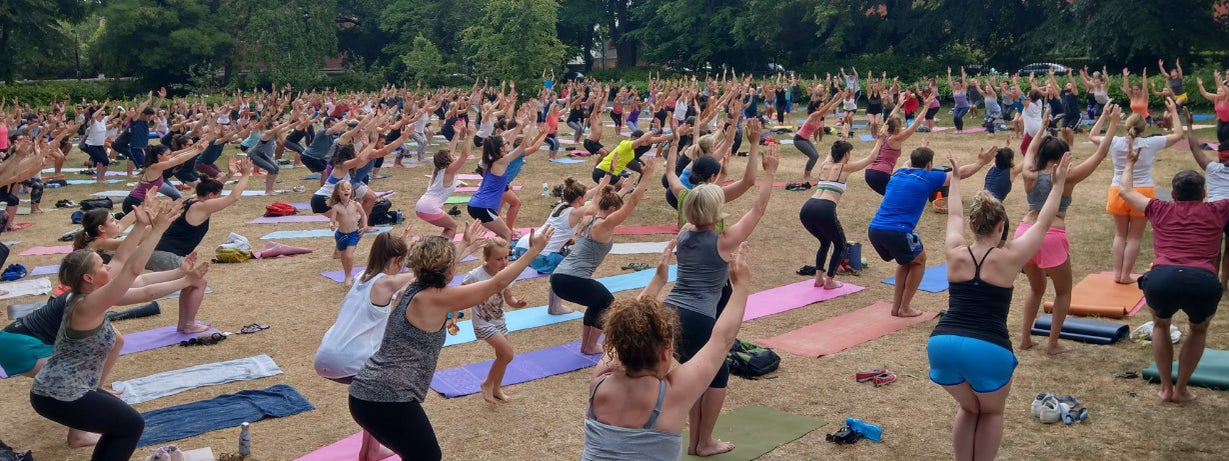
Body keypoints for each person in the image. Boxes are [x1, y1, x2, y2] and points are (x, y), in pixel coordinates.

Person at [347, 228, 552, 459]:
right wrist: (534, 250)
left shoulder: (410, 288)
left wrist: (464, 245)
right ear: (451, 269)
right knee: (428, 456)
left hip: (365, 395)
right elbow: (496, 284)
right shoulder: (436, 298)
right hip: (386, 398)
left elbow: (432, 263)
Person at [928, 148, 1070, 461]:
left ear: (973, 224)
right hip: (988, 347)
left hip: (943, 343)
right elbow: (1044, 223)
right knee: (991, 414)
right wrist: (1057, 184)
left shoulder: (955, 250)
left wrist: (954, 179)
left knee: (968, 407)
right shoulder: (1011, 256)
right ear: (1000, 227)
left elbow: (952, 215)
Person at [28, 200, 183, 460]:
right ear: (88, 278)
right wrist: (158, 229)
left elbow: (124, 258)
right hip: (58, 395)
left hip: (58, 389)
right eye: (101, 265)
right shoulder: (88, 304)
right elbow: (133, 269)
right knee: (130, 425)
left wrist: (143, 224)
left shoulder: (90, 293)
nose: (108, 267)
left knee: (124, 425)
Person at [315, 223, 482, 461]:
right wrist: (463, 246)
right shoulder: (385, 283)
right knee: (382, 392)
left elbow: (430, 269)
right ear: (396, 261)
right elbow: (430, 270)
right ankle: (370, 451)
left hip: (327, 354)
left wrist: (464, 245)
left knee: (377, 396)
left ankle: (370, 450)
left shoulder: (363, 276)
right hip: (347, 359)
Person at [583, 242, 753, 461]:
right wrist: (741, 287)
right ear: (665, 353)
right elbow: (722, 340)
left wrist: (658, 281)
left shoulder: (600, 381)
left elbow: (624, 327)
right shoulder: (672, 394)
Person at [663, 141, 778, 456]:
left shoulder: (685, 232)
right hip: (698, 317)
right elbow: (758, 209)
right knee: (716, 374)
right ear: (716, 211)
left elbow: (692, 200)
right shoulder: (724, 241)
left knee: (695, 375)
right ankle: (704, 442)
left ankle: (698, 441)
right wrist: (770, 173)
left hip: (669, 311)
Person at [1119, 147, 1229, 403]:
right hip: (1201, 281)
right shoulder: (1218, 209)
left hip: (1163, 279)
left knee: (1161, 324)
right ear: (1204, 194)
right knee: (1198, 329)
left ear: (1173, 194)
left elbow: (1124, 191)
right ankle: (1181, 390)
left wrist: (1129, 163)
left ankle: (1166, 389)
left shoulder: (1160, 208)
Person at [1017, 105, 1121, 355]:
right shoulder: (1067, 176)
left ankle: (1024, 339)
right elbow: (1100, 153)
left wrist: (1042, 127)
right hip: (1051, 236)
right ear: (1064, 156)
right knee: (1063, 292)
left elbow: (1031, 148)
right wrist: (1113, 123)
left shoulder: (1029, 173)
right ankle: (1052, 344)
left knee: (1035, 288)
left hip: (1024, 232)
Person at [867, 144, 993, 317]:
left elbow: (906, 163)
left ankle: (896, 307)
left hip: (875, 229)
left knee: (906, 262)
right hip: (897, 231)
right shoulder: (928, 177)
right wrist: (981, 162)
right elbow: (960, 173)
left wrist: (920, 149)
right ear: (928, 165)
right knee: (919, 260)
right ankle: (904, 308)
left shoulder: (898, 173)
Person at [551, 159, 656, 355]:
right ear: (613, 211)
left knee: (598, 302)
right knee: (607, 303)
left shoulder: (588, 217)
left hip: (558, 278)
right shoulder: (603, 226)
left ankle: (587, 345)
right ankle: (590, 346)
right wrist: (646, 176)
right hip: (572, 279)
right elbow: (632, 203)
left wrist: (612, 176)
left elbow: (602, 197)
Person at [145, 161, 254, 334]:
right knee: (199, 283)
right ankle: (187, 324)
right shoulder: (204, 206)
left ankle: (184, 324)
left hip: (157, 251)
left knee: (190, 284)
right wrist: (246, 175)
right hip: (165, 254)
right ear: (211, 196)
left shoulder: (193, 200)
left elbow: (211, 188)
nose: (219, 198)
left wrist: (229, 175)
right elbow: (233, 197)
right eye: (218, 195)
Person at [1091, 99, 1184, 284]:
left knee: (1120, 235)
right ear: (1144, 128)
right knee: (1134, 236)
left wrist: (1104, 116)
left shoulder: (1115, 142)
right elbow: (1178, 134)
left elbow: (1093, 135)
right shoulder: (1151, 142)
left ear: (1126, 126)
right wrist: (1173, 111)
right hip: (1143, 192)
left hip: (1118, 190)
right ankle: (1125, 275)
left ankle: (1118, 274)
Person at [799, 137, 881, 288]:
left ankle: (818, 279)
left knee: (825, 241)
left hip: (807, 208)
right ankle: (829, 281)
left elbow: (832, 151)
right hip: (824, 209)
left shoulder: (825, 164)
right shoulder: (845, 167)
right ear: (847, 154)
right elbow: (872, 157)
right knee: (840, 244)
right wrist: (880, 139)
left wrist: (841, 139)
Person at [513, 177, 600, 315]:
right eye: (584, 197)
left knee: (558, 261)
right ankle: (555, 307)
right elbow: (595, 207)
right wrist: (616, 189)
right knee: (563, 272)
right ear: (579, 198)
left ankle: (546, 276)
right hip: (540, 254)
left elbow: (589, 193)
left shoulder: (561, 205)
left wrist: (608, 177)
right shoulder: (576, 211)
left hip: (521, 246)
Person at [463, 237, 528, 404]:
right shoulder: (476, 275)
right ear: (486, 258)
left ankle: (497, 387)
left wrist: (516, 304)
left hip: (499, 320)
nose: (503, 262)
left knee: (502, 355)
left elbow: (509, 297)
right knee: (507, 354)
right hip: (482, 322)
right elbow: (459, 294)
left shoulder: (505, 275)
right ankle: (487, 383)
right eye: (498, 259)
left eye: (506, 257)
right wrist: (454, 316)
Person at [1182, 110, 1229, 289]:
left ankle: (1213, 281)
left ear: (1219, 155)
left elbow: (1195, 147)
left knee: (1214, 249)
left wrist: (1190, 125)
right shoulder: (1212, 168)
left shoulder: (1212, 168)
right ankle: (1224, 284)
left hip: (1215, 211)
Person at [864, 95, 933, 195]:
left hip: (869, 172)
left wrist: (899, 105)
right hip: (880, 174)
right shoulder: (895, 138)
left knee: (894, 195)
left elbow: (889, 118)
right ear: (898, 128)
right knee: (900, 195)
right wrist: (926, 106)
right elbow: (916, 123)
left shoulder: (884, 132)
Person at [120, 139, 210, 214]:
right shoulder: (156, 166)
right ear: (159, 156)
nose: (169, 157)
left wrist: (195, 148)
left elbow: (177, 156)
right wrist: (198, 150)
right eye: (167, 155)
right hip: (134, 203)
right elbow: (178, 160)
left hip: (138, 202)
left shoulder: (156, 164)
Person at [415, 122, 471, 239]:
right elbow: (464, 155)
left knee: (449, 227)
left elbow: (450, 151)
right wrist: (469, 135)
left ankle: (438, 250)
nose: (453, 156)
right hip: (429, 207)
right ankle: (442, 253)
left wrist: (456, 134)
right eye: (451, 157)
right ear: (447, 160)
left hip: (422, 206)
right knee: (452, 227)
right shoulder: (449, 170)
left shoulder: (439, 169)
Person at [330, 182, 368, 287]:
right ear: (338, 193)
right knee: (343, 256)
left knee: (349, 255)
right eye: (343, 189)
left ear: (351, 191)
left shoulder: (356, 204)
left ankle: (349, 277)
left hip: (354, 234)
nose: (346, 191)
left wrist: (364, 226)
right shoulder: (336, 207)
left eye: (348, 189)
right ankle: (346, 275)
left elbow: (363, 215)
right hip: (341, 234)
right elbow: (332, 220)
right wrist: (332, 225)